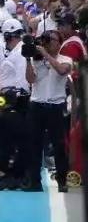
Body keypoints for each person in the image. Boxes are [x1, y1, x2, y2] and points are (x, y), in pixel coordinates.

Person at [0, 18, 39, 190]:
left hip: (14, 103)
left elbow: (19, 85)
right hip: (14, 101)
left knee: (9, 142)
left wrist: (4, 102)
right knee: (15, 142)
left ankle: (12, 176)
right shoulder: (18, 52)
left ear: (8, 36)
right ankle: (15, 175)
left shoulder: (18, 54)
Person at [32, 21, 77, 189]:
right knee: (35, 144)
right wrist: (28, 60)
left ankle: (62, 180)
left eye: (51, 40)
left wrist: (46, 55)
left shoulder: (65, 59)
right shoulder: (37, 60)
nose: (48, 43)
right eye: (46, 40)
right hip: (37, 105)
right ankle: (34, 180)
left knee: (59, 145)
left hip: (56, 107)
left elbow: (62, 70)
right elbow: (30, 79)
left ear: (59, 43)